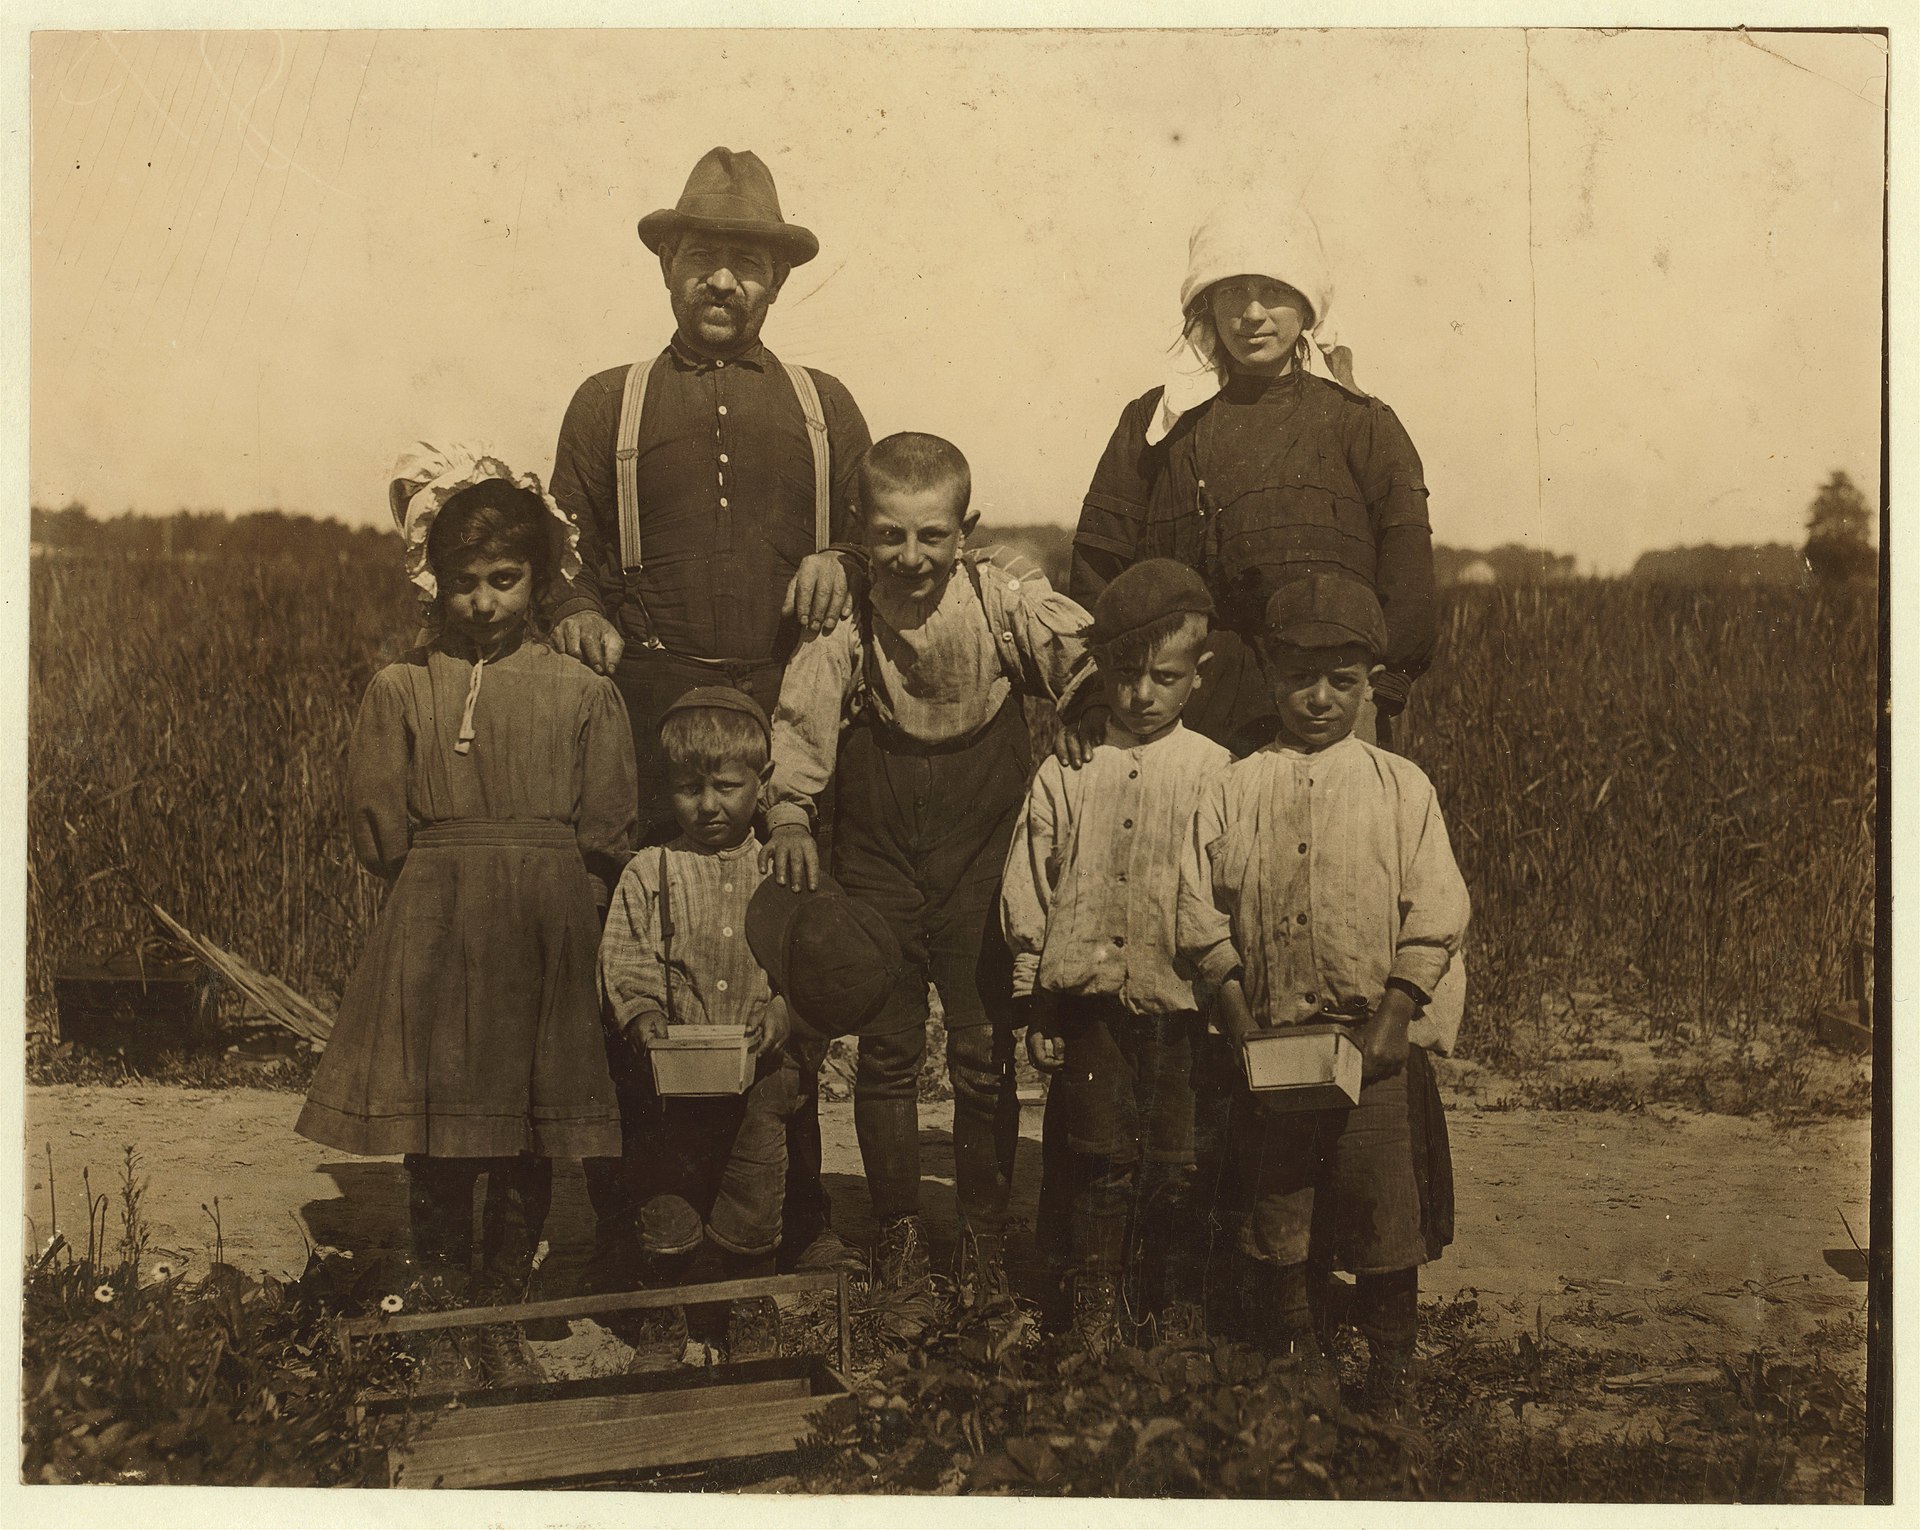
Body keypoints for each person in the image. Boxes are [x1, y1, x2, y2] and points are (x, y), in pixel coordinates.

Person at [546, 146, 869, 1276]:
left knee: (788, 939)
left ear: (777, 282)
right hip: (649, 700)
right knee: (654, 939)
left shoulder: (825, 407)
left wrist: (840, 556)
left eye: (745, 263)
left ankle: (798, 1210)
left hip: (782, 700)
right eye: (701, 260)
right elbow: (563, 546)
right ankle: (647, 1205)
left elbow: (882, 548)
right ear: (667, 271)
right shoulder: (608, 402)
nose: (722, 282)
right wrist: (579, 606)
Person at [296, 446, 637, 1383]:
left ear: (537, 577)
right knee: (437, 1116)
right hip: (437, 924)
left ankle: (502, 1296)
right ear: (432, 583)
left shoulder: (584, 692)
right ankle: (443, 1293)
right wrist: (445, 882)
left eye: (504, 580)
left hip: (545, 924)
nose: (483, 602)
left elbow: (608, 825)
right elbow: (380, 825)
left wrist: (553, 890)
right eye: (463, 584)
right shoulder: (401, 688)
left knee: (530, 1120)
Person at [764, 432, 1094, 1309]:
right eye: (890, 537)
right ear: (861, 536)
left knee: (985, 1053)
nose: (911, 558)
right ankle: (900, 1229)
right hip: (877, 854)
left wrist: (1082, 708)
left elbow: (1073, 659)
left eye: (932, 537)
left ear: (965, 530)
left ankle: (984, 1234)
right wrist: (792, 811)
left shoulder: (997, 598)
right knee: (887, 1052)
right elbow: (800, 720)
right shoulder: (849, 621)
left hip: (982, 854)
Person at [1177, 573, 1470, 1417]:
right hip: (1267, 1040)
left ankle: (1391, 1368)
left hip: (1371, 1038)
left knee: (1384, 1210)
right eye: (1299, 677)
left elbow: (1438, 906)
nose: (1318, 699)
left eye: (1342, 681)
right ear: (1268, 673)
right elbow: (1201, 908)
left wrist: (1397, 1011)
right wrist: (1232, 1013)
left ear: (1370, 681)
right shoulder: (1233, 788)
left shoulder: (1398, 786)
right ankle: (1295, 1352)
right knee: (1280, 1207)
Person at [1068, 201, 1436, 756]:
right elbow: (1098, 571)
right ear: (1206, 305)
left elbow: (1408, 576)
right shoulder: (1152, 424)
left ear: (1308, 307)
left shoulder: (1363, 425)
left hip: (1325, 717)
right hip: (1179, 720)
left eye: (1275, 291)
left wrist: (1380, 692)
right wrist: (1100, 696)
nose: (1253, 314)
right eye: (1233, 292)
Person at [1000, 558, 1231, 1353]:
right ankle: (1091, 1308)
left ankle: (1174, 1307)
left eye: (1163, 678)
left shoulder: (1214, 773)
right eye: (1125, 675)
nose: (1141, 695)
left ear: (1197, 676)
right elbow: (1033, 886)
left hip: (1182, 1011)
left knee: (1178, 1163)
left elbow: (1225, 892)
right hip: (1090, 1004)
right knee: (1097, 1159)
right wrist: (1039, 997)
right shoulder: (1068, 770)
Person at [596, 688, 802, 1366]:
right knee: (665, 1183)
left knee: (753, 1180)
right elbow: (624, 960)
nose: (708, 805)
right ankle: (664, 1313)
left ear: (763, 785)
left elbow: (811, 965)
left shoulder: (779, 871)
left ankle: (747, 1304)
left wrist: (783, 1012)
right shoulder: (650, 870)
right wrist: (645, 1018)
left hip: (758, 1070)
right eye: (688, 788)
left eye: (726, 786)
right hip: (668, 1071)